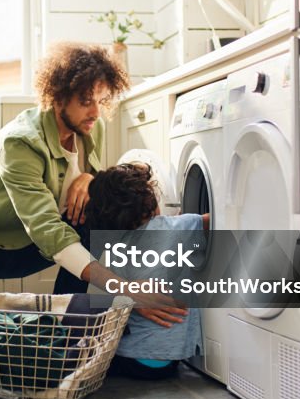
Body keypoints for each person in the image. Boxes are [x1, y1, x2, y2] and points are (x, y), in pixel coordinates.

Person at [0, 42, 130, 295]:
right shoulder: (20, 141)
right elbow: (44, 226)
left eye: (101, 101)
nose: (96, 112)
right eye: (86, 101)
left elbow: (86, 196)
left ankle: (68, 324)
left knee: (102, 215)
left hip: (37, 242)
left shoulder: (90, 127)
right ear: (58, 96)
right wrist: (125, 287)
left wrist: (91, 178)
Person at [84, 162, 209, 380]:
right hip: (160, 362)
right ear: (149, 202)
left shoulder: (114, 243)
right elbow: (219, 220)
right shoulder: (178, 227)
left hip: (128, 353)